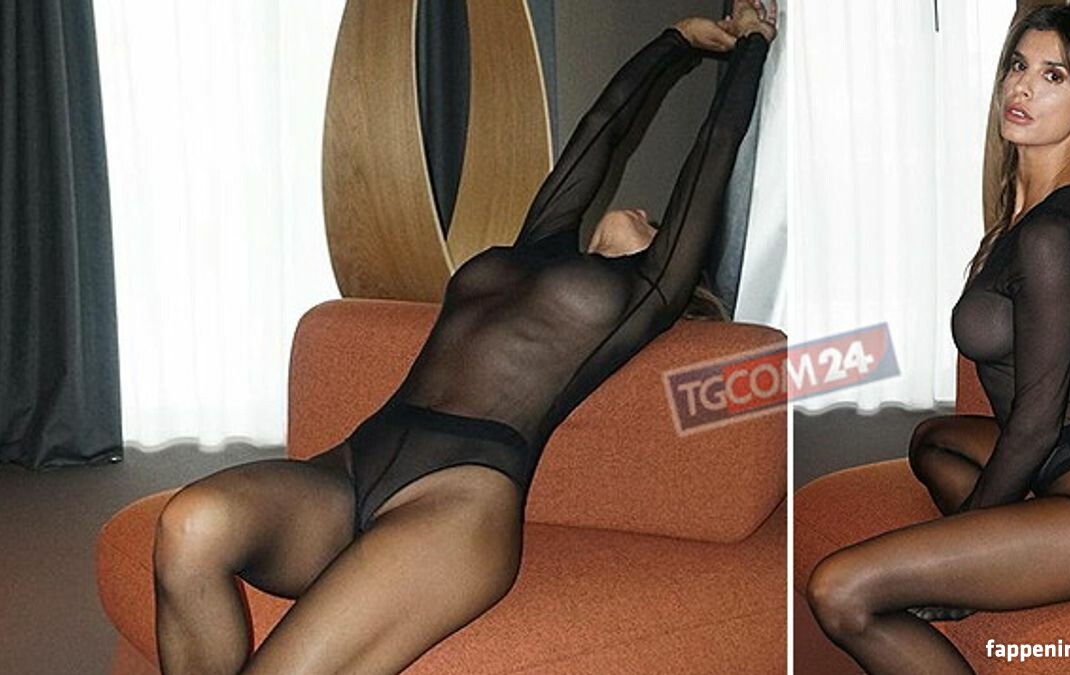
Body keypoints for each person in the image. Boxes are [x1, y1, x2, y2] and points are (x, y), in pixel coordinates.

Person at [150, 2, 777, 673]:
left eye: (653, 223)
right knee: (189, 525)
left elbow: (714, 150)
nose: (642, 212)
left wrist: (752, 47)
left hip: (461, 497)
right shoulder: (540, 242)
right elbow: (601, 130)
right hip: (357, 462)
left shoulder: (647, 292)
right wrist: (674, 42)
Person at [805, 5, 1070, 673]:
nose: (1022, 86)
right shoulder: (1054, 214)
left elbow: (1036, 424)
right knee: (933, 440)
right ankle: (1011, 545)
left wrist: (954, 560)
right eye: (1019, 65)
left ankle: (990, 559)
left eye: (1053, 76)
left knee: (838, 591)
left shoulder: (1052, 234)